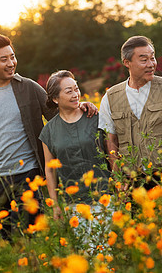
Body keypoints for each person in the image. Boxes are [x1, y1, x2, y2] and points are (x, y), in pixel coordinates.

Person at [0, 34, 97, 241]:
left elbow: (59, 111)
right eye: (4, 59)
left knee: (34, 233)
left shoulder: (29, 87)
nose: (11, 63)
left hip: (28, 174)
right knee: (8, 235)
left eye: (12, 57)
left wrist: (81, 106)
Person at [99, 35, 162, 188]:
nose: (151, 64)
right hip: (131, 181)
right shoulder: (110, 97)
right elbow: (111, 141)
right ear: (127, 63)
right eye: (144, 60)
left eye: (153, 58)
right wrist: (118, 179)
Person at [40, 70, 110, 220]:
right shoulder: (48, 131)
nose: (75, 94)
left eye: (76, 89)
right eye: (69, 91)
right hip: (74, 203)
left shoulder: (95, 117)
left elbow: (111, 150)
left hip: (105, 197)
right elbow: (50, 170)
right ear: (55, 99)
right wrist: (55, 205)